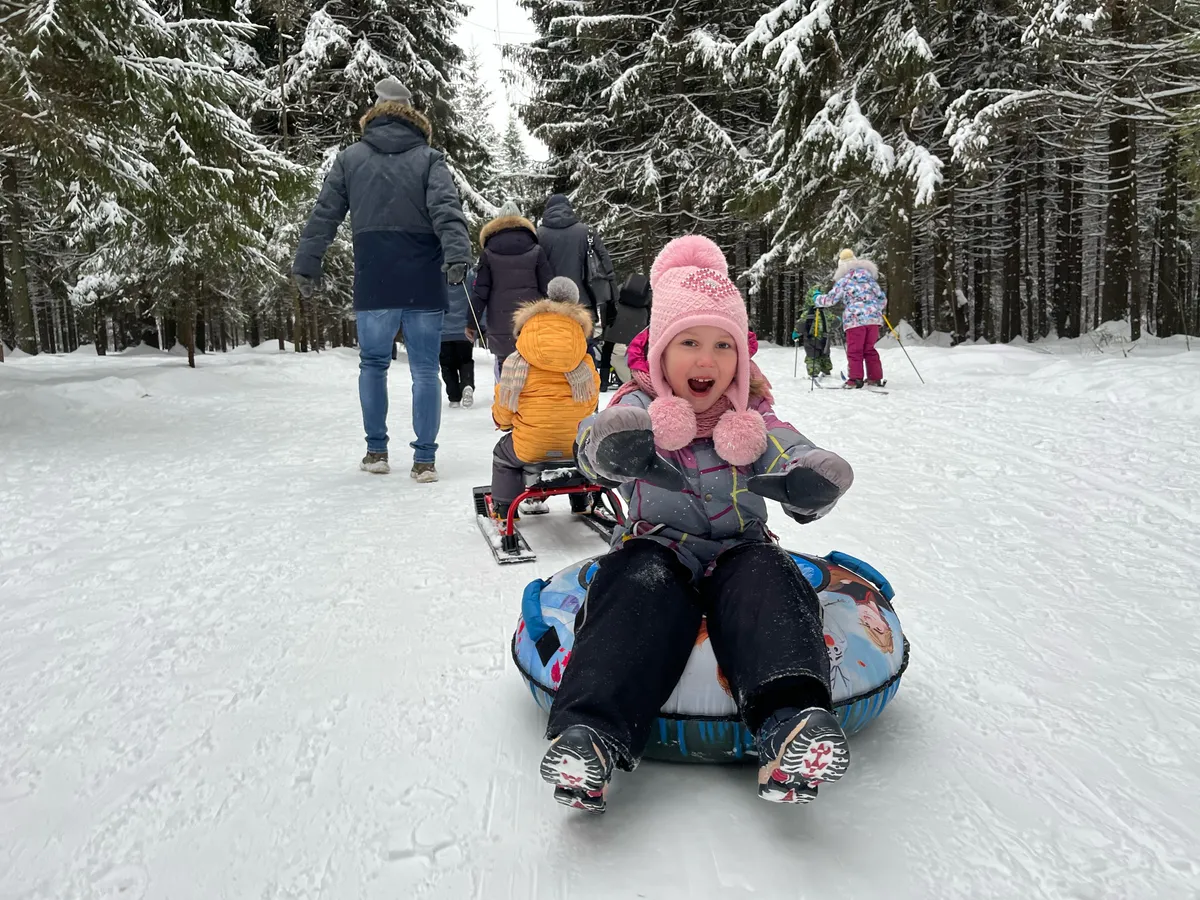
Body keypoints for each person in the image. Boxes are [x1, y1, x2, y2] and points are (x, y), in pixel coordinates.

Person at [539, 235, 856, 813]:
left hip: (740, 546)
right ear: (659, 350)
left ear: (741, 356)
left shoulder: (749, 415)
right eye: (688, 342)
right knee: (635, 590)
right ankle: (590, 737)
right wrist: (612, 447)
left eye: (722, 345)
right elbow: (596, 441)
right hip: (656, 546)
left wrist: (805, 475)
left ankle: (790, 728)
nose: (706, 360)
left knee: (770, 583)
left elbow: (784, 446)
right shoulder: (636, 406)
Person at [292, 75, 472, 481]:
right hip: (424, 275)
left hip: (375, 276)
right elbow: (447, 210)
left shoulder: (350, 159)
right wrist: (458, 255)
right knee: (425, 370)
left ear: (374, 114)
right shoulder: (430, 158)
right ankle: (424, 459)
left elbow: (325, 214)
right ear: (413, 116)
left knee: (373, 365)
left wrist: (308, 261)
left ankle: (376, 453)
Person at [490, 278, 600, 522]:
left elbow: (505, 404)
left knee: (503, 456)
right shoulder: (583, 360)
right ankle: (581, 500)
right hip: (575, 445)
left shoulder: (518, 361)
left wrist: (503, 422)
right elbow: (592, 402)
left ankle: (504, 507)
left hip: (531, 447)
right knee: (580, 446)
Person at [469, 201, 552, 377]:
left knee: (505, 367)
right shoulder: (537, 250)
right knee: (532, 368)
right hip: (530, 321)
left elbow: (480, 292)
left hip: (501, 323)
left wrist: (471, 322)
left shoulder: (488, 253)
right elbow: (548, 289)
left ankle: (505, 401)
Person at [536, 194, 617, 334]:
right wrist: (613, 299)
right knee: (583, 347)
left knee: (554, 348)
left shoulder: (538, 235)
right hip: (583, 303)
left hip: (550, 304)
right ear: (569, 208)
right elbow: (606, 265)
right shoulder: (587, 232)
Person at [816, 249, 887, 389]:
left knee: (855, 350)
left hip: (855, 321)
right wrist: (873, 310)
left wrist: (817, 299)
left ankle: (855, 379)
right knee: (869, 349)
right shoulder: (869, 279)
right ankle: (875, 378)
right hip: (873, 321)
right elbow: (882, 299)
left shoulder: (845, 280)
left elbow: (831, 299)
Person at [599, 272, 651, 391]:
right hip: (638, 324)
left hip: (617, 322)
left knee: (607, 351)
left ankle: (603, 382)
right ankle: (637, 378)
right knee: (638, 352)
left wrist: (606, 323)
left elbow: (610, 303)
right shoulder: (647, 294)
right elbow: (650, 310)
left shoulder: (621, 288)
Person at [440, 266, 476, 409]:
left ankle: (454, 396)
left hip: (443, 329)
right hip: (465, 329)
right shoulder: (470, 274)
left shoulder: (439, 273)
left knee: (447, 365)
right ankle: (467, 385)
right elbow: (477, 297)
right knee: (465, 360)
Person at [793, 284, 834, 380]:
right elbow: (834, 321)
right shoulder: (826, 312)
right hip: (825, 338)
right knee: (825, 354)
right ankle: (826, 369)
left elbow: (801, 324)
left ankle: (813, 371)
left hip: (811, 338)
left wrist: (796, 333)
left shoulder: (807, 313)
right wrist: (838, 320)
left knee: (812, 355)